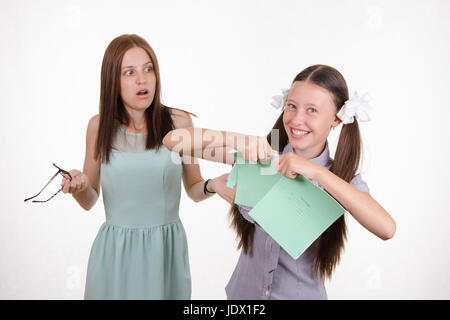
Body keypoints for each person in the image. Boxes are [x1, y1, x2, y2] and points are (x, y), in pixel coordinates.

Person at [163, 64, 396, 299]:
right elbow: (174, 142)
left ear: (335, 119)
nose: (297, 119)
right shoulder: (262, 158)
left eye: (312, 110)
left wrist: (317, 172)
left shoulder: (341, 178)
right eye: (291, 106)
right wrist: (238, 140)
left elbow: (387, 229)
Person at [60, 34, 231, 299]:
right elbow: (89, 200)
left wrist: (212, 185)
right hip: (114, 256)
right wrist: (79, 186)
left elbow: (195, 188)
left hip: (165, 253)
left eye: (148, 69)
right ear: (113, 81)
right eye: (129, 72)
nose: (142, 80)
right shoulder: (98, 126)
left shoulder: (179, 123)